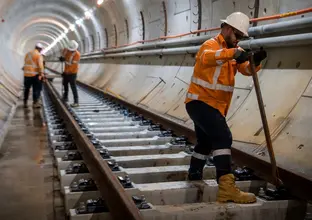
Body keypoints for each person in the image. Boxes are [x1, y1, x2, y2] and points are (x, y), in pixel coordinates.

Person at [184, 12, 267, 203]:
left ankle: (194, 174)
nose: (238, 40)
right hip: (201, 102)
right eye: (237, 35)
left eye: (240, 37)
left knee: (205, 143)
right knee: (223, 137)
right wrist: (234, 53)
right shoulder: (211, 45)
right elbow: (207, 58)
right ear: (228, 29)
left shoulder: (233, 49)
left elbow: (246, 69)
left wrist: (255, 62)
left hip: (212, 106)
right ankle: (227, 188)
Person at [59, 40, 81, 107]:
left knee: (73, 86)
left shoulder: (77, 54)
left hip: (72, 73)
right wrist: (62, 57)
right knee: (65, 84)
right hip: (66, 72)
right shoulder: (67, 51)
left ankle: (76, 102)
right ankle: (65, 97)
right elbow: (64, 56)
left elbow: (72, 66)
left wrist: (66, 72)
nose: (71, 50)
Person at [23, 43, 45, 108]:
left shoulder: (28, 53)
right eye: (41, 49)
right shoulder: (39, 55)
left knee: (26, 88)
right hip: (34, 75)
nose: (41, 51)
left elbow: (26, 62)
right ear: (39, 49)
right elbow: (40, 66)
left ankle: (25, 102)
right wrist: (41, 75)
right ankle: (35, 103)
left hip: (26, 74)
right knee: (36, 89)